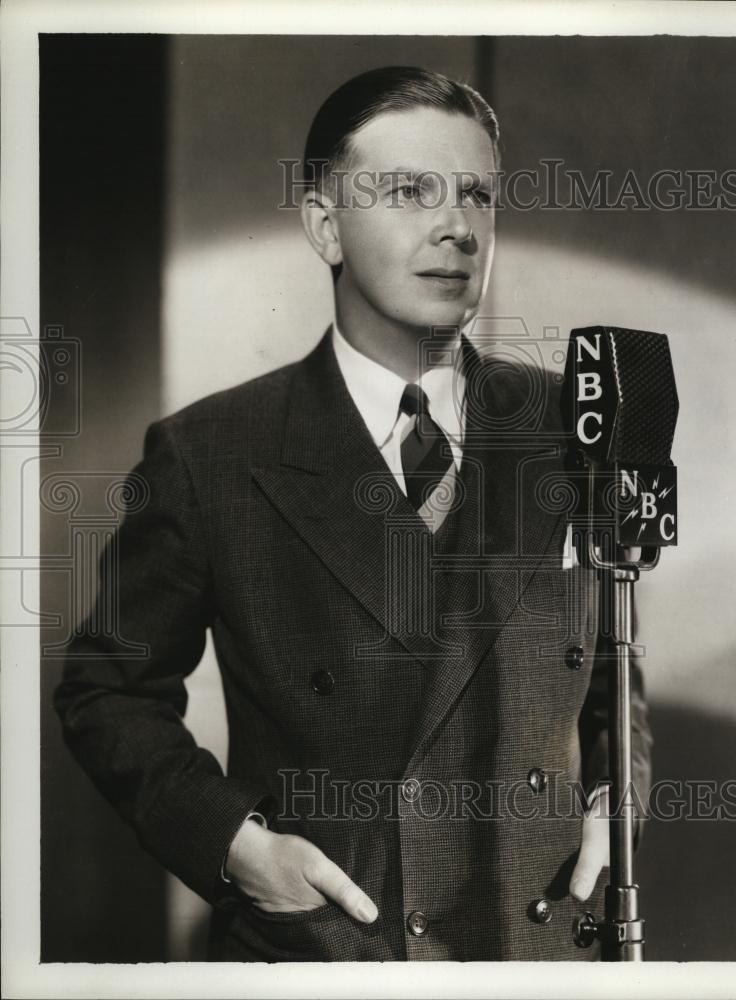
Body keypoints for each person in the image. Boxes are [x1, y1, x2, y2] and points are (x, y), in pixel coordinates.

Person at [54, 65, 652, 962]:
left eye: (477, 195)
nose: (455, 226)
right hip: (330, 946)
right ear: (324, 224)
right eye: (410, 191)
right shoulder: (213, 451)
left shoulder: (572, 425)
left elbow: (613, 676)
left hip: (540, 938)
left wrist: (616, 807)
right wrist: (237, 847)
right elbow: (107, 689)